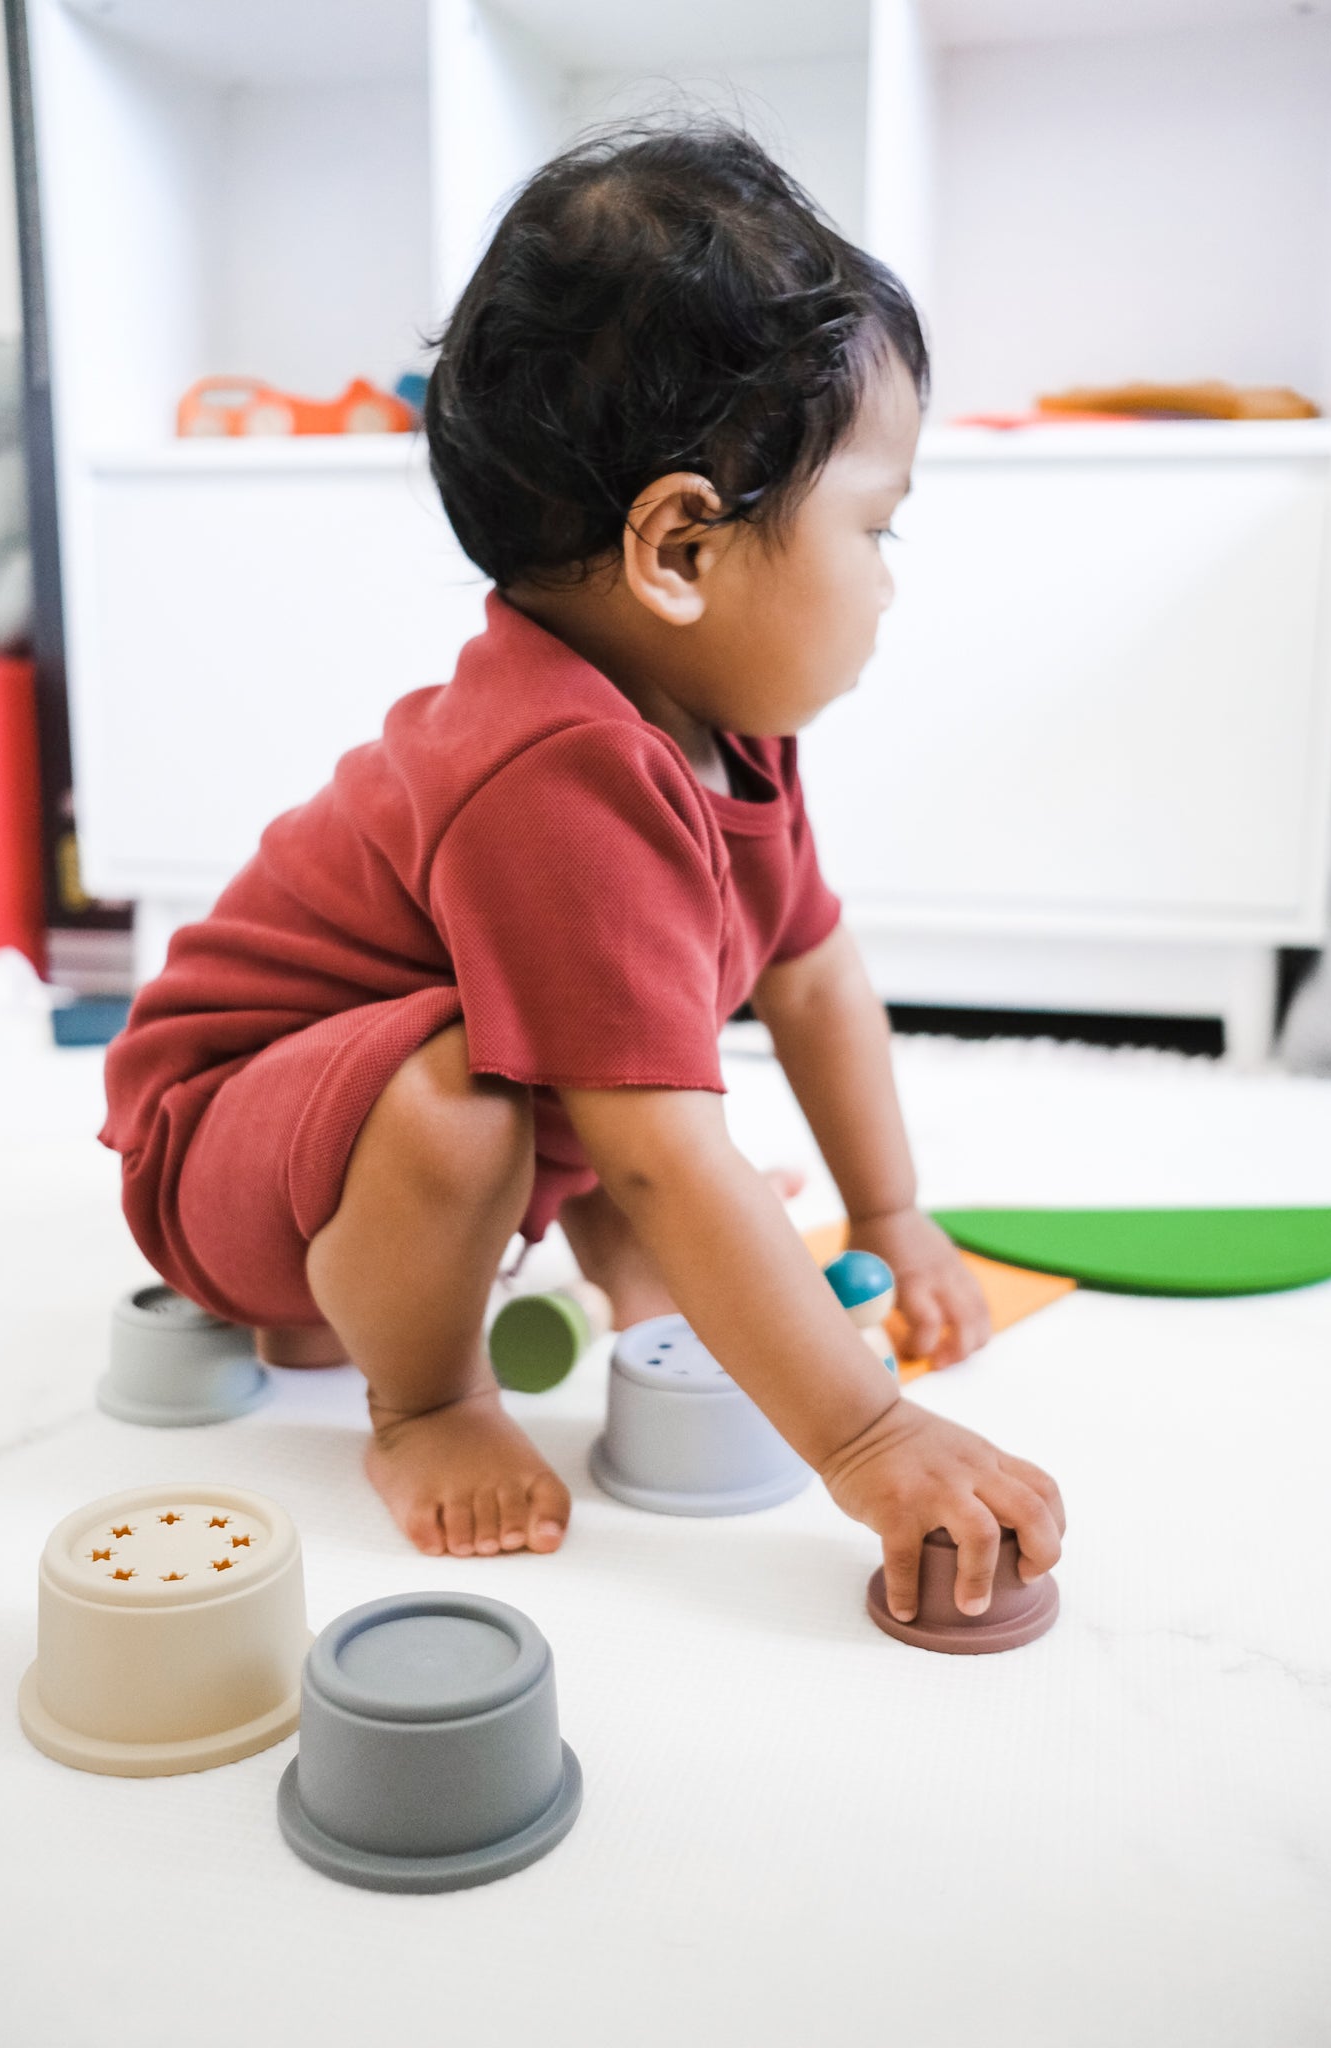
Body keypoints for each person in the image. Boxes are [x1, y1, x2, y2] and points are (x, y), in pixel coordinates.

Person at [100, 126, 1065, 1622]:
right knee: (489, 1105)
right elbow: (655, 1147)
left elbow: (809, 972)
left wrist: (892, 1218)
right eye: (873, 525)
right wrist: (868, 1435)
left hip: (364, 1127)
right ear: (678, 544)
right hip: (226, 1145)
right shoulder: (555, 769)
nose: (888, 577)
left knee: (599, 1088)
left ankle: (488, 1261)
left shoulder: (728, 730)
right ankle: (420, 1396)